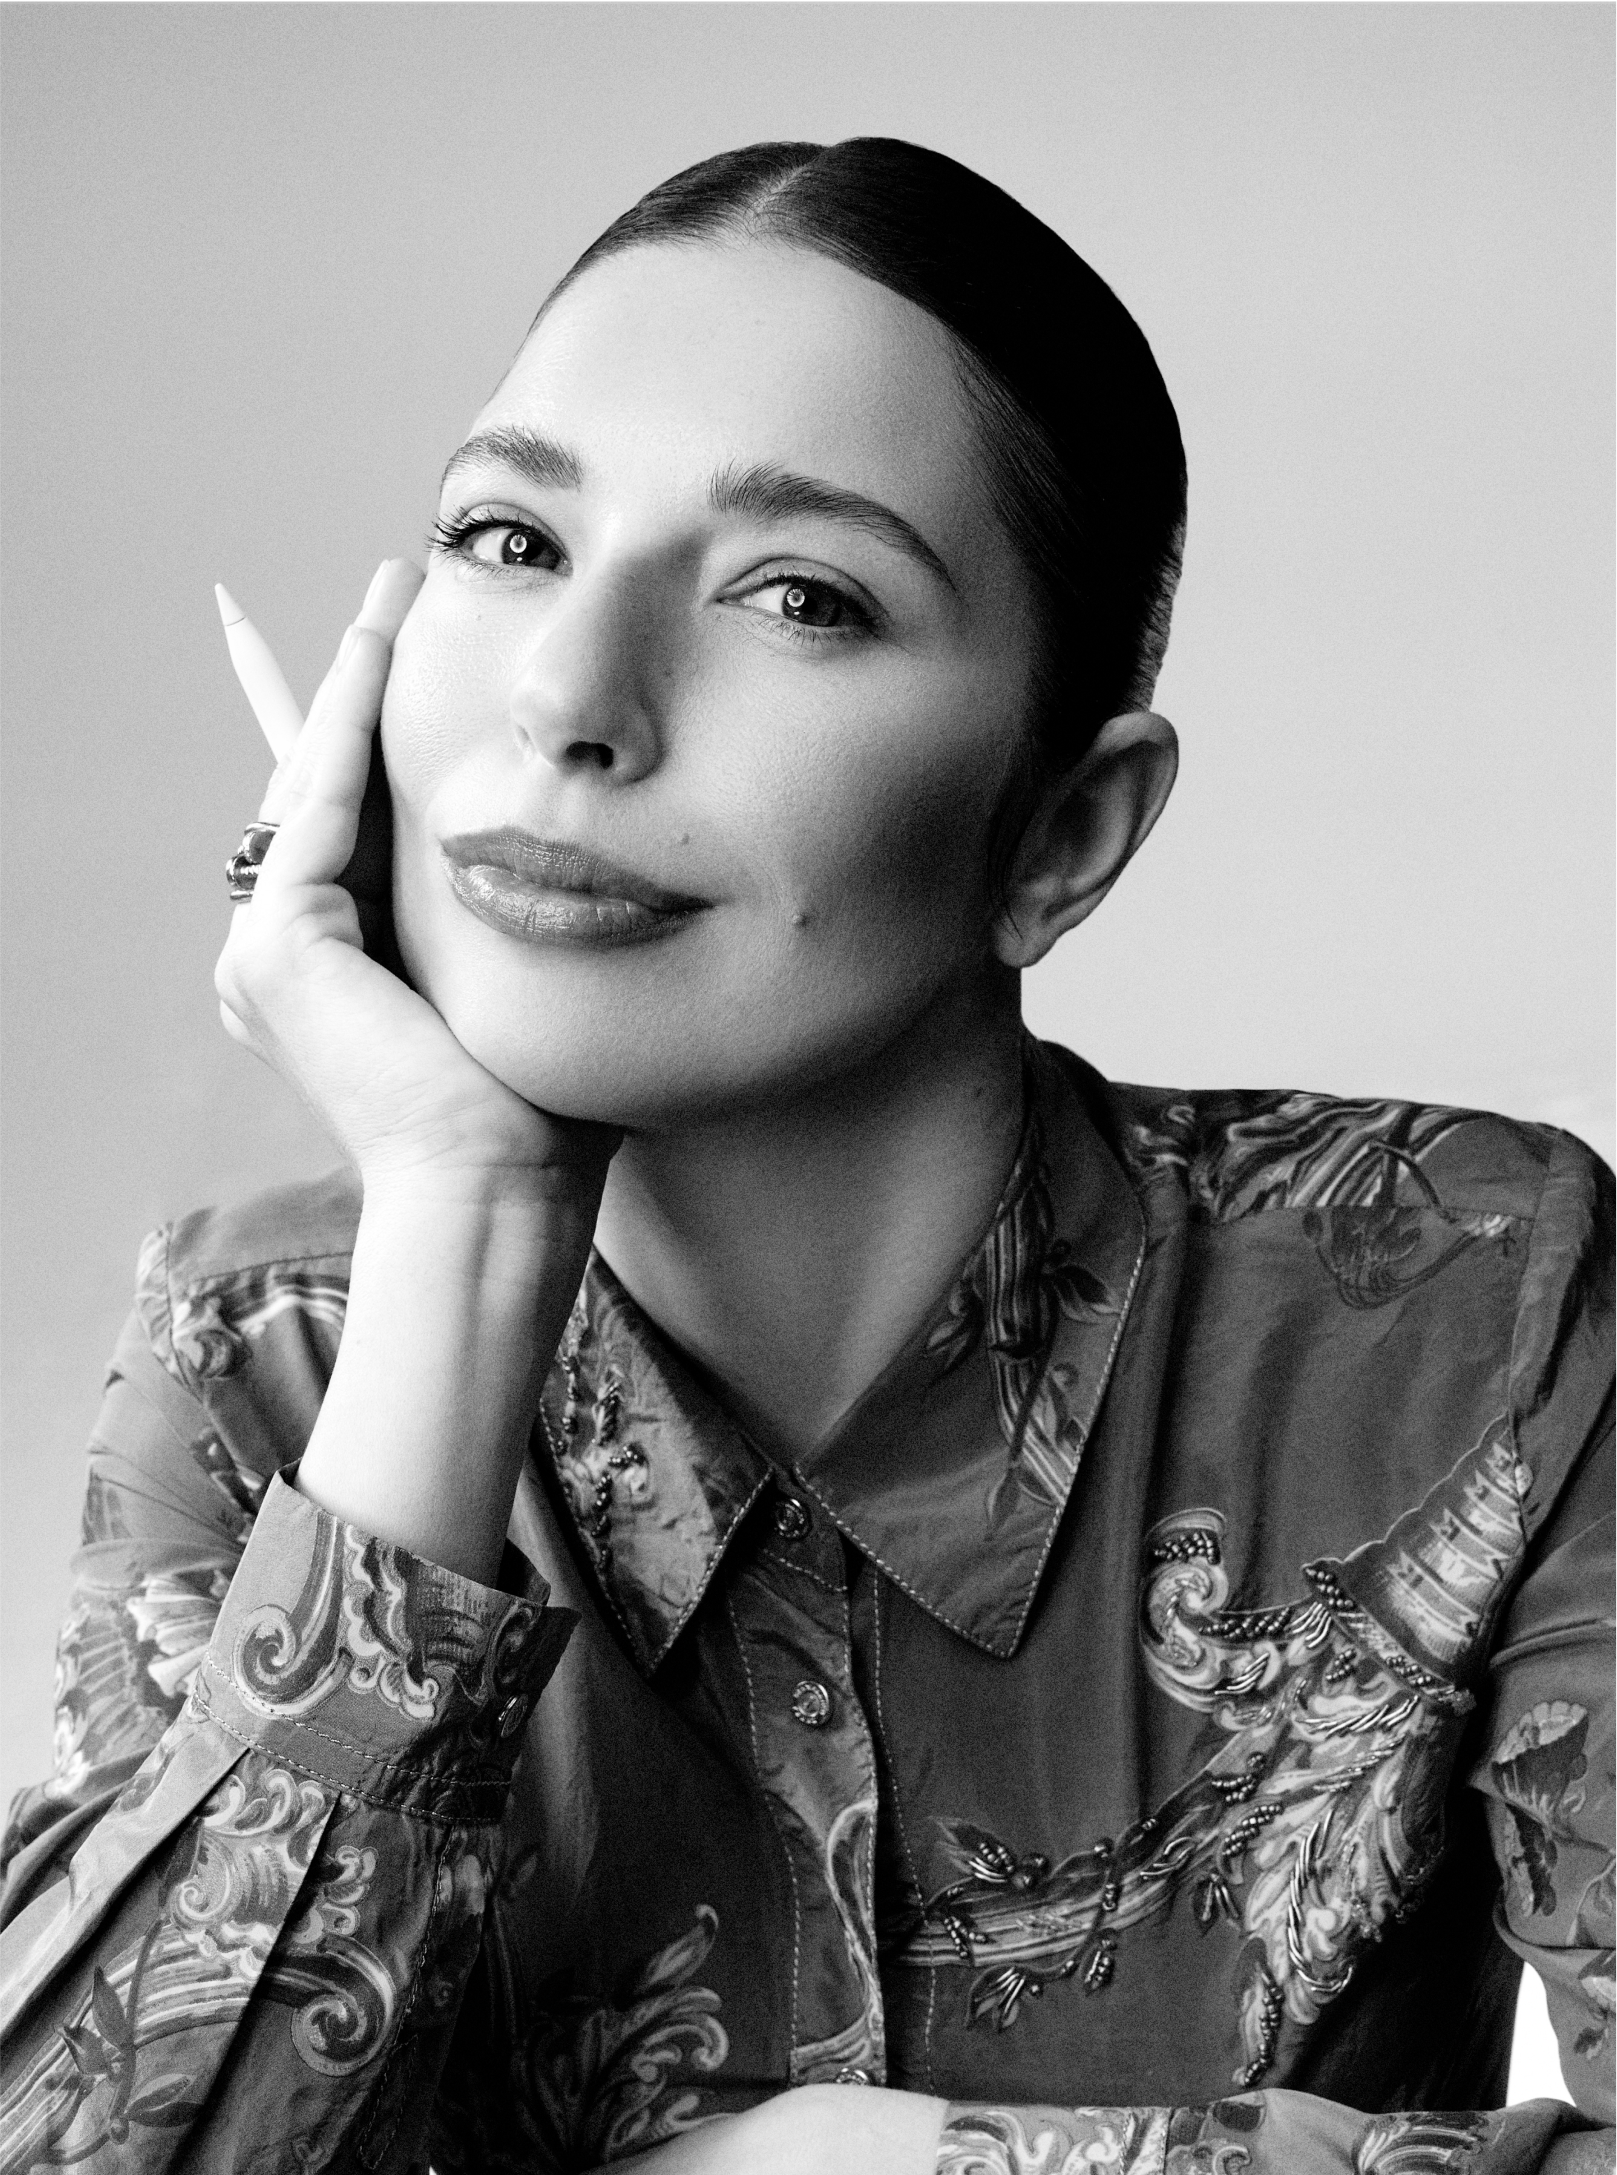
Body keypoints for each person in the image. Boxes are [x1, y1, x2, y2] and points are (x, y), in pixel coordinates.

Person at [0, 136, 1612, 2175]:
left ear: (1061, 835)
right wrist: (465, 1233)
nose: (568, 699)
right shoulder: (267, 1354)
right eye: (509, 539)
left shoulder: (1463, 1300)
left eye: (799, 596)